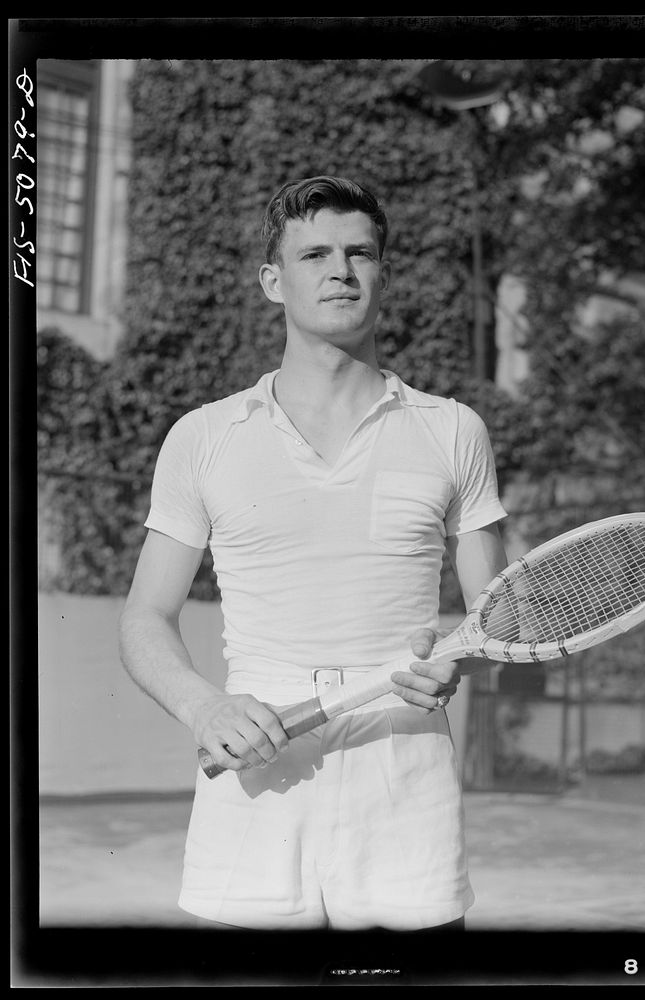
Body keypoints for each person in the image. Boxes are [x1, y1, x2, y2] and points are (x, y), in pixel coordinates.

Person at [119, 175, 508, 932]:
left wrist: (456, 658)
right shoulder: (203, 436)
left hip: (404, 763)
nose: (341, 270)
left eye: (360, 252)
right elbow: (145, 616)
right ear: (274, 280)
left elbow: (494, 612)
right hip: (257, 758)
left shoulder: (452, 430)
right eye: (315, 254)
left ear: (382, 274)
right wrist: (205, 708)